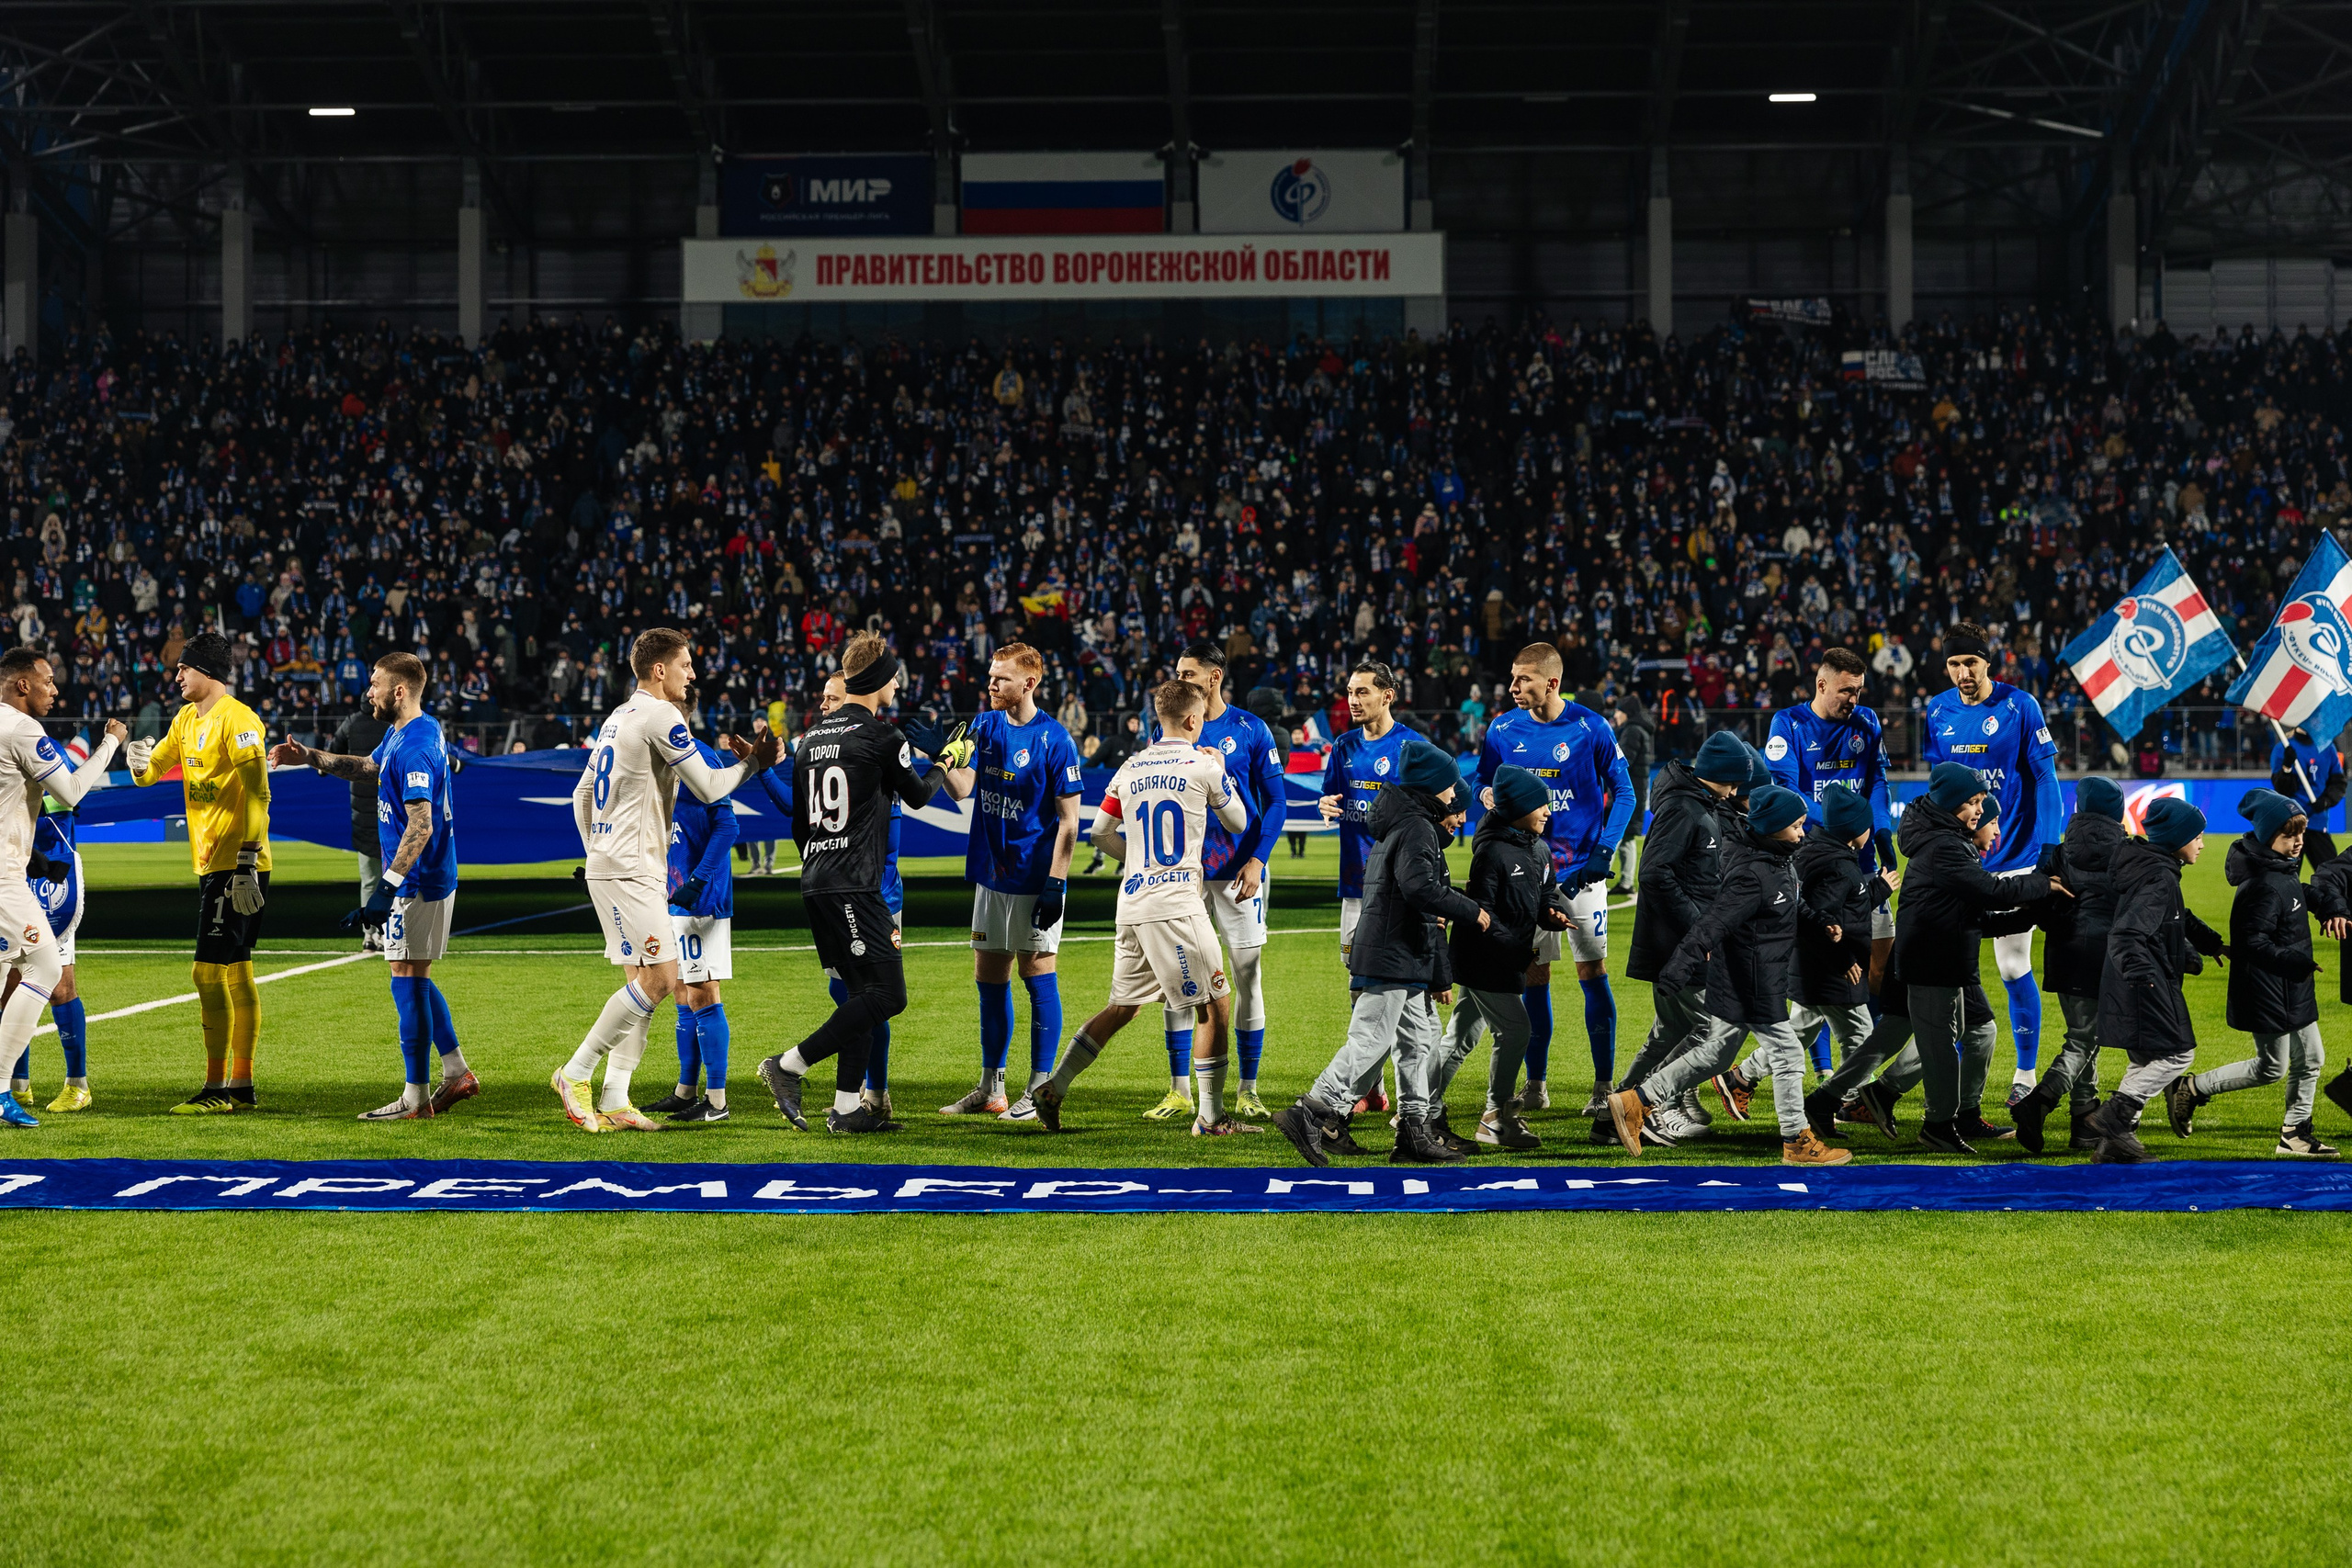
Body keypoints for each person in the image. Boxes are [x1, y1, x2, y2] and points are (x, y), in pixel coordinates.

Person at [553, 627, 777, 1133]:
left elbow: (580, 795)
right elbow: (711, 784)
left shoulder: (618, 717)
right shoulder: (661, 716)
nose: (692, 674)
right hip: (634, 869)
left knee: (641, 982)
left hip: (612, 863)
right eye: (686, 665)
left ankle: (615, 1097)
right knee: (663, 979)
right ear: (660, 670)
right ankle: (576, 1071)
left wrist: (595, 851)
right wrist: (755, 763)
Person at [754, 634, 955, 1134]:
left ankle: (846, 1110)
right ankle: (788, 1065)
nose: (898, 683)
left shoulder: (811, 741)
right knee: (889, 996)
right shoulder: (882, 737)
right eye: (895, 675)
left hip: (816, 879)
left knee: (861, 995)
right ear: (882, 679)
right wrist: (944, 764)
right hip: (855, 885)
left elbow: (800, 823)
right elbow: (917, 797)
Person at [1032, 678, 1250, 1135]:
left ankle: (1054, 1087)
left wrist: (1139, 863)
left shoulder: (1130, 767)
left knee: (1122, 1007)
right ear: (1195, 720)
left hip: (1132, 902)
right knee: (1215, 1003)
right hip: (1176, 906)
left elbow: (1100, 832)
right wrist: (1223, 768)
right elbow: (1238, 821)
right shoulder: (1202, 765)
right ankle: (1211, 1118)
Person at [1603, 784, 1851, 1167]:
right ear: (1771, 827)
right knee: (1786, 1054)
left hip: (1745, 976)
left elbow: (1791, 904)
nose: (1803, 833)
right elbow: (1713, 924)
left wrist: (1821, 924)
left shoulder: (1776, 859)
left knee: (1716, 1054)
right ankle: (1796, 1141)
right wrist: (1678, 966)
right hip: (1752, 979)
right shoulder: (1753, 873)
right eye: (1797, 826)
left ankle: (1636, 1100)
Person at [273, 653, 475, 1120]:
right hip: (419, 879)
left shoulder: (417, 746)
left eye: (375, 684)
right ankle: (455, 1073)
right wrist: (312, 758)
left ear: (398, 691)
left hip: (418, 883)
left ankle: (416, 1097)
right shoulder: (406, 732)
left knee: (405, 978)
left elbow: (420, 823)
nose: (369, 692)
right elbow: (367, 767)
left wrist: (386, 888)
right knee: (414, 975)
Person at [1274, 739, 1491, 1167]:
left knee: (1420, 1040)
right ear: (1431, 786)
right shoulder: (1416, 827)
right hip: (1392, 953)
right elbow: (1419, 888)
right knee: (1372, 1038)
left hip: (1400, 952)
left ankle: (1414, 1131)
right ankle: (1312, 1110)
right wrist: (1470, 911)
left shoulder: (1404, 822)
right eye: (1450, 787)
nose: (1454, 795)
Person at [1475, 642, 1634, 1115]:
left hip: (1582, 875)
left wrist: (1603, 854)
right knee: (1534, 979)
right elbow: (1483, 781)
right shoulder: (1502, 728)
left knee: (1592, 974)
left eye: (1523, 679)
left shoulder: (1591, 727)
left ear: (1552, 682)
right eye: (1512, 677)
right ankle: (1537, 1084)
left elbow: (1624, 791)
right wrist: (1487, 797)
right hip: (1526, 876)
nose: (1513, 687)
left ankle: (1603, 1087)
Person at [1883, 763, 2065, 1153]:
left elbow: (1973, 917)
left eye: (1982, 801)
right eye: (1973, 802)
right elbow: (1989, 892)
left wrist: (2029, 914)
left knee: (1960, 1040)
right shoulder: (1945, 845)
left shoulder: (1949, 839)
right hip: (1933, 959)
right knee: (1939, 1051)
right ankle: (1935, 1125)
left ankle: (1933, 1113)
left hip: (1945, 958)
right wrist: (2041, 885)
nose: (1981, 812)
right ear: (1951, 804)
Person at [935, 644, 1083, 1122]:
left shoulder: (1056, 740)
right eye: (991, 677)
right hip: (990, 875)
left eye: (1001, 679)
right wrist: (936, 756)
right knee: (989, 979)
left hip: (1033, 879)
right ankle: (991, 1086)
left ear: (1030, 684)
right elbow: (961, 789)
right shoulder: (984, 725)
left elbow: (1069, 822)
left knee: (1037, 975)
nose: (992, 685)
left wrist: (1056, 884)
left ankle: (1040, 1090)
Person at [126, 630, 272, 1115]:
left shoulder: (240, 719)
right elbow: (152, 772)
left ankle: (215, 1091)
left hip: (238, 864)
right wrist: (136, 761)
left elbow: (259, 794)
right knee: (236, 975)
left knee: (206, 974)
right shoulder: (186, 719)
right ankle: (242, 1087)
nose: (177, 675)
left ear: (207, 672)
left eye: (184, 668)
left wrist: (248, 860)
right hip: (215, 863)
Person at [1922, 621, 2063, 1101]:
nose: (1964, 672)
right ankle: (1959, 1074)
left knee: (2010, 964)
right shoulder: (1937, 710)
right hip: (1963, 861)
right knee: (1951, 969)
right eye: (1955, 664)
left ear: (1989, 661)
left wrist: (2049, 847)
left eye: (1972, 663)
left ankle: (2024, 1076)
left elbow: (2046, 779)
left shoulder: (2019, 706)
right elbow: (1939, 786)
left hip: (2016, 853)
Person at [1150, 639, 1286, 1119]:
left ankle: (1247, 1089)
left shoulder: (1251, 729)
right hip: (1183, 876)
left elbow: (1277, 803)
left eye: (1189, 673)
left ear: (1214, 677)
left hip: (1237, 874)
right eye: (1178, 671)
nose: (1180, 680)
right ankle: (1179, 1089)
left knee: (1248, 975)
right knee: (1177, 980)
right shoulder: (1166, 729)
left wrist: (1259, 860)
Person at [2162, 790, 2336, 1157]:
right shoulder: (2260, 885)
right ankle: (2192, 1088)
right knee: (2272, 1067)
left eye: (2301, 833)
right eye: (2290, 834)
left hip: (2290, 986)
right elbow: (2251, 944)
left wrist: (2323, 904)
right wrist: (2294, 962)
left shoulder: (2279, 871)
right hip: (2268, 989)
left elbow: (2295, 895)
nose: (2299, 841)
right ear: (2267, 836)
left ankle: (2294, 1133)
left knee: (2311, 1059)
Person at [0, 650, 119, 1127]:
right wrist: (109, 744)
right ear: (22, 685)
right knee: (46, 965)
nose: (55, 690)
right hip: (3, 876)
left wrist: (35, 856)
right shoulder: (22, 729)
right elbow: (69, 791)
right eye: (48, 681)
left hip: (16, 863)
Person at [1615, 730, 1751, 1145]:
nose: (1735, 791)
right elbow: (1655, 873)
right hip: (1680, 944)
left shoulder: (1696, 804)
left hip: (1677, 941)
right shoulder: (1684, 808)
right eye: (1734, 781)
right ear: (1720, 774)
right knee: (1709, 1031)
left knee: (1670, 1033)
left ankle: (1612, 1114)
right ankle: (1653, 1107)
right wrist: (1700, 931)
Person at [2077, 797, 2224, 1164]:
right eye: (2198, 836)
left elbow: (2174, 916)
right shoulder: (2159, 876)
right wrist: (2147, 980)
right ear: (2177, 839)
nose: (2202, 844)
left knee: (2145, 1059)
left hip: (2131, 981)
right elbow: (2127, 934)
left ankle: (2114, 1145)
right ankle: (2114, 1116)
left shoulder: (2153, 868)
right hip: (2143, 984)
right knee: (2178, 1054)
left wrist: (2206, 944)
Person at [1434, 764, 1571, 1152]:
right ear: (1516, 809)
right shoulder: (1492, 851)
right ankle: (1495, 1117)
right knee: (1515, 1032)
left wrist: (1551, 913)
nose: (1548, 812)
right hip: (1483, 958)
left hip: (1503, 956)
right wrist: (1518, 951)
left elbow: (1547, 894)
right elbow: (1482, 912)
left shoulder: (1540, 848)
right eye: (1540, 805)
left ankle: (1420, 1106)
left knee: (1461, 1036)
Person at [1762, 647, 1899, 1003]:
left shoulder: (1866, 720)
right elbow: (1788, 792)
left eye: (1858, 691)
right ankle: (1824, 1063)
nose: (1854, 699)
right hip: (1815, 862)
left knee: (1879, 965)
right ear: (1822, 685)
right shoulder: (1787, 723)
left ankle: (1865, 1051)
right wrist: (1841, 825)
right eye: (1846, 691)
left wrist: (1881, 832)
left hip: (1864, 860)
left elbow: (1879, 783)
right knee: (1821, 965)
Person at [2009, 776, 2128, 1154]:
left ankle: (2084, 1122)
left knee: (2082, 1034)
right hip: (2104, 955)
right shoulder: (2128, 853)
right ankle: (2038, 1102)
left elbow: (2041, 901)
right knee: (2084, 1040)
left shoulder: (2058, 853)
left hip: (2063, 953)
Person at [1317, 659, 1416, 1112]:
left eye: (1362, 692)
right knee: (1360, 989)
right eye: (1350, 693)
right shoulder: (1343, 746)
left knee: (1399, 993)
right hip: (1355, 886)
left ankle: (1402, 1094)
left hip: (1397, 888)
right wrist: (1326, 805)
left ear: (1387, 695)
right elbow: (1331, 795)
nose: (1353, 701)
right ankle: (1373, 1089)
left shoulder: (1413, 748)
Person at [645, 736, 741, 1123]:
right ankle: (686, 1091)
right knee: (682, 992)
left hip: (699, 897)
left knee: (703, 992)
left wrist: (699, 881)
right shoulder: (658, 751)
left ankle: (716, 1101)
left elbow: (727, 825)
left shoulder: (699, 756)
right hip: (672, 890)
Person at [6, 808, 92, 1111]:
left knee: (59, 985)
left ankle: (77, 1085)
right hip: (10, 873)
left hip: (48, 873)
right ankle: (16, 1085)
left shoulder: (48, 761)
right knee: (9, 985)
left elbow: (66, 797)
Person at [329, 702, 390, 953]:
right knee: (395, 878)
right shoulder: (395, 724)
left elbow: (335, 752)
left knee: (369, 879)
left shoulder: (352, 721)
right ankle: (391, 934)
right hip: (392, 811)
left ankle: (369, 935)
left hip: (362, 814)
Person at [2270, 728, 2345, 870]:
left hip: (2317, 822)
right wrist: (2286, 767)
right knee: (2285, 878)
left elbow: (2338, 782)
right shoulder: (2283, 748)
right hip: (2291, 824)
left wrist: (2326, 801)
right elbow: (2281, 789)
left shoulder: (2327, 747)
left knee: (2332, 875)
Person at [1607, 694, 1655, 894]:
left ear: (1627, 712)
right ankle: (1626, 882)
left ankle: (1597, 879)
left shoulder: (1632, 731)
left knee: (1613, 836)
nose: (1616, 714)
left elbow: (1622, 762)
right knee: (1626, 838)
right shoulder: (1640, 729)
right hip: (1634, 792)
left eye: (1619, 710)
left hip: (1626, 794)